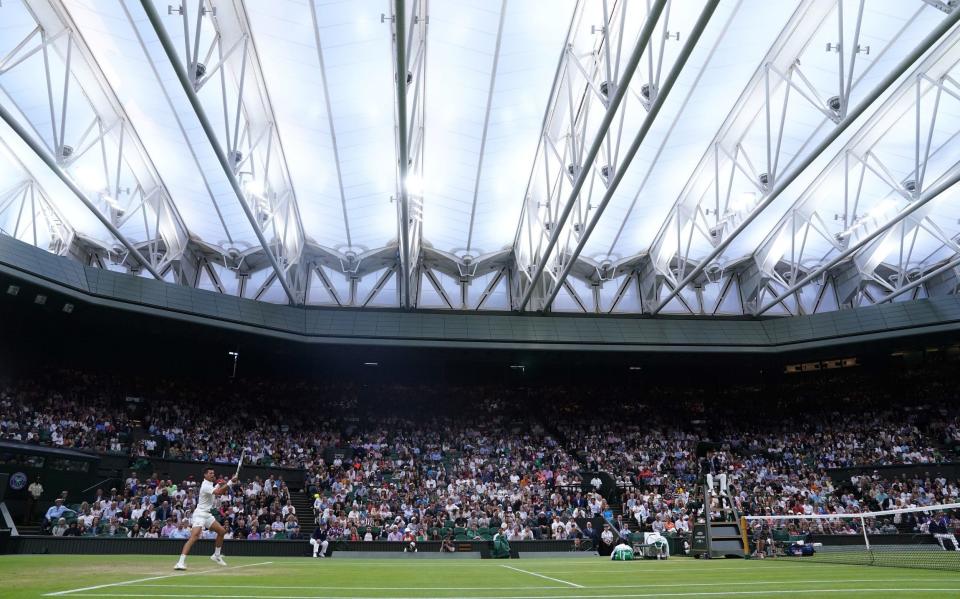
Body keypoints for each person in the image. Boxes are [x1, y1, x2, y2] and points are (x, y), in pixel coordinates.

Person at [174, 468, 237, 570]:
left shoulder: (210, 484)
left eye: (213, 473)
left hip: (207, 514)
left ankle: (216, 556)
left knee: (221, 531)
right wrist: (230, 482)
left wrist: (225, 482)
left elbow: (218, 488)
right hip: (199, 514)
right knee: (194, 536)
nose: (213, 474)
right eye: (210, 473)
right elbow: (219, 492)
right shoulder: (205, 485)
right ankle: (180, 563)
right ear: (205, 475)